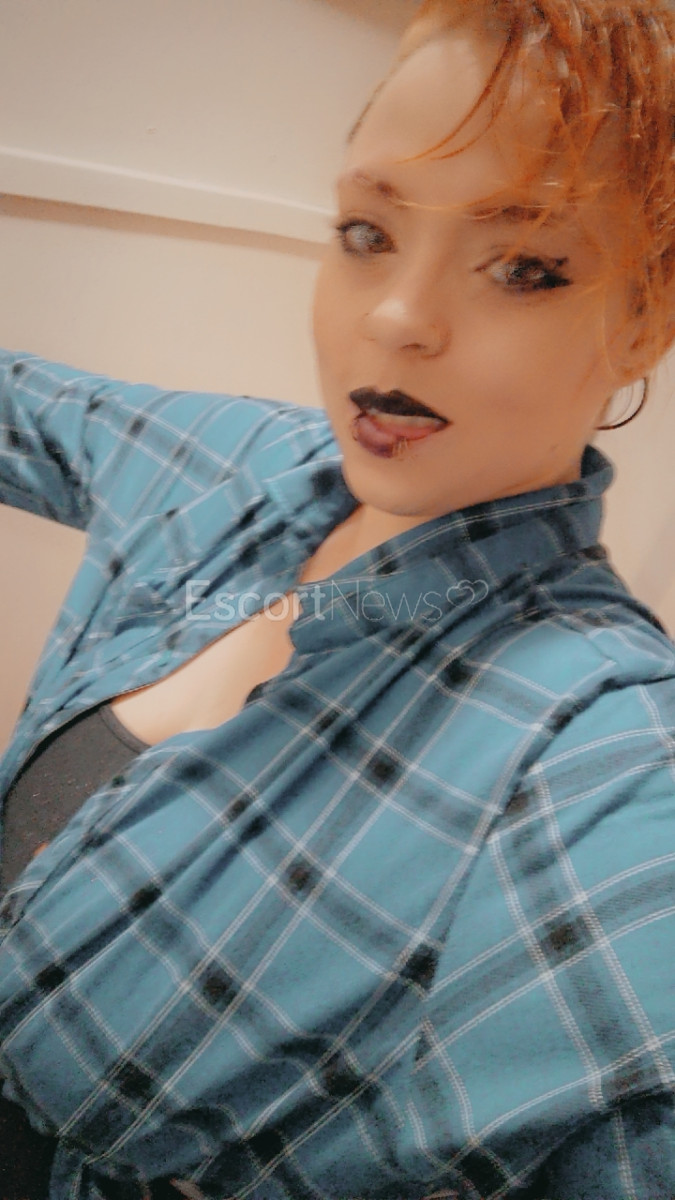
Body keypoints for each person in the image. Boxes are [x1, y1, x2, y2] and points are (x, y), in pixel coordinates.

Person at [0, 0, 674, 1195]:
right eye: (368, 232)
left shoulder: (596, 747)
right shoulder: (239, 466)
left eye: (525, 267)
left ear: (644, 321)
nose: (397, 317)